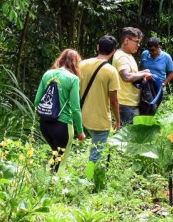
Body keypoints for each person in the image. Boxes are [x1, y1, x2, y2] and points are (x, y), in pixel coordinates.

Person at [34, 49, 86, 173]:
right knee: (60, 161)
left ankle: (46, 179)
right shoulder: (73, 79)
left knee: (56, 156)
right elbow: (75, 108)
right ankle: (53, 182)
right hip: (62, 125)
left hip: (45, 124)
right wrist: (80, 131)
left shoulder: (47, 74)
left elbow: (37, 101)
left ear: (60, 60)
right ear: (76, 64)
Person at [79, 35, 122, 176]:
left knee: (93, 150)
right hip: (100, 120)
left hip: (83, 116)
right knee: (96, 155)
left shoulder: (82, 64)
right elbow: (114, 100)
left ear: (98, 47)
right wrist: (118, 121)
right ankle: (91, 181)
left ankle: (88, 176)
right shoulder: (111, 71)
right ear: (113, 51)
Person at [112, 27, 152, 126]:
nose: (138, 45)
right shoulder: (122, 57)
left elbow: (131, 73)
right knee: (129, 134)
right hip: (126, 104)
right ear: (126, 40)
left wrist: (142, 72)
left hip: (131, 103)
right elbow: (126, 76)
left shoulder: (128, 55)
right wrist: (144, 74)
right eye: (136, 42)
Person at [139, 37, 173, 109]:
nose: (150, 52)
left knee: (158, 108)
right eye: (149, 50)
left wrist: (163, 84)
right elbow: (141, 67)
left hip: (158, 86)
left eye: (152, 50)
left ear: (158, 47)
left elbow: (172, 72)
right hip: (146, 86)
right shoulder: (144, 54)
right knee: (145, 107)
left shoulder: (166, 57)